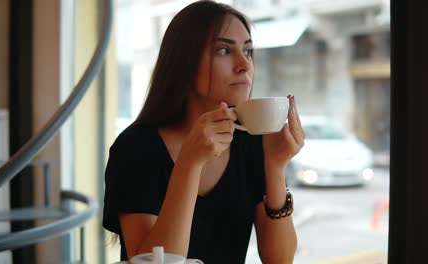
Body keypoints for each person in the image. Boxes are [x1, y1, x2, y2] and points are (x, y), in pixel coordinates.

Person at [103, 1, 305, 263]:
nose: (245, 65)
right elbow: (154, 262)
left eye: (248, 51)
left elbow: (279, 260)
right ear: (183, 61)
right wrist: (190, 162)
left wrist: (276, 168)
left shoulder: (251, 141)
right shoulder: (136, 148)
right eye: (223, 50)